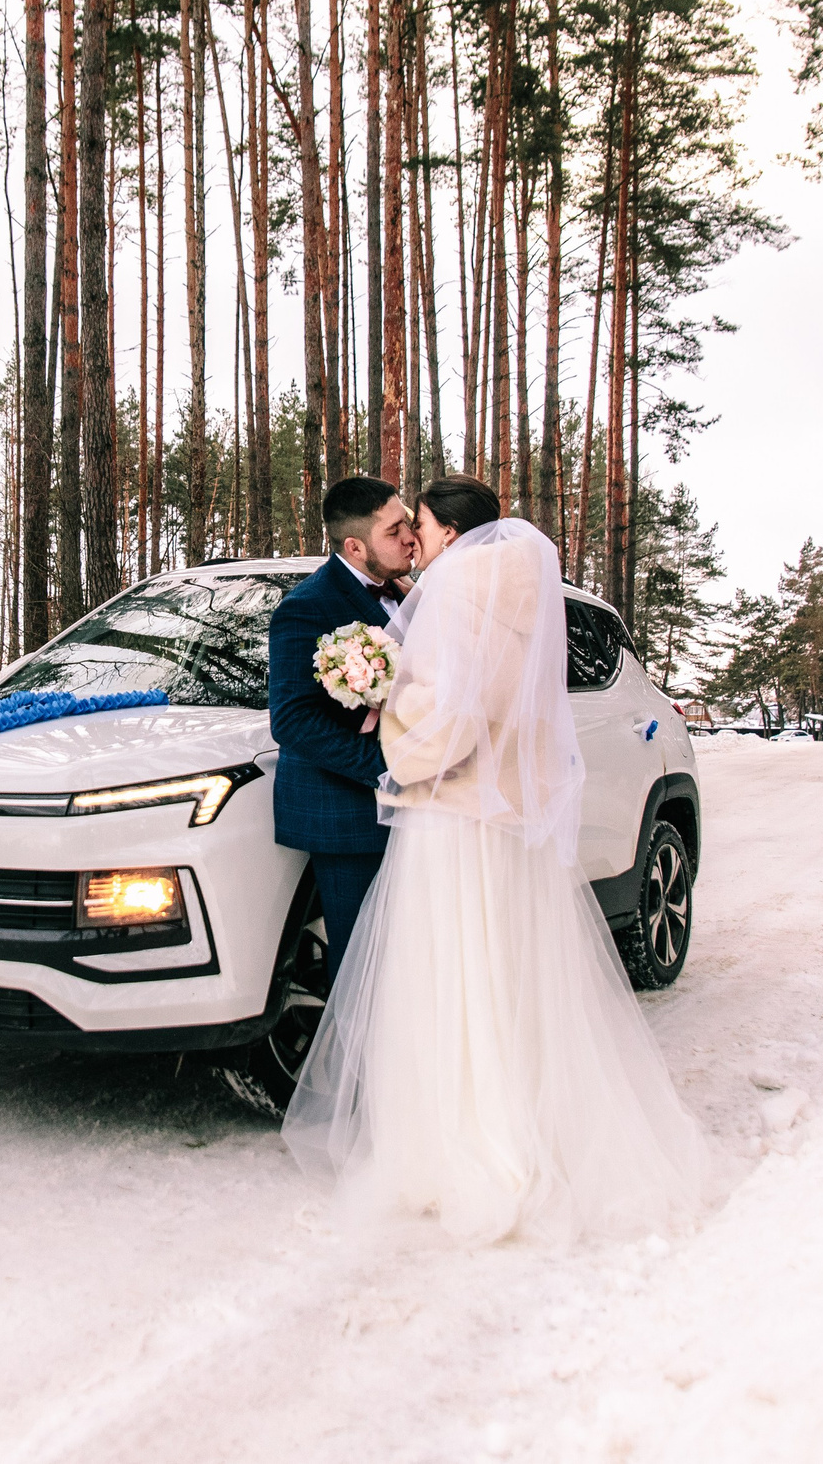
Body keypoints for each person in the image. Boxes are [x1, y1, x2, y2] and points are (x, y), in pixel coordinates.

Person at [283, 474, 708, 1244]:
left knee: (452, 978)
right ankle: (525, 1118)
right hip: (500, 824)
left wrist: (388, 721)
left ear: (448, 532)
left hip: (454, 823)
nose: (413, 536)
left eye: (419, 524)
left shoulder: (456, 595)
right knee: (503, 976)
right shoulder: (520, 592)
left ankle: (466, 1139)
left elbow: (449, 727)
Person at [266, 475, 418, 985]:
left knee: (413, 960)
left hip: (420, 814)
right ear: (355, 546)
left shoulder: (410, 594)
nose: (410, 537)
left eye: (409, 525)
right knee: (361, 969)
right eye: (395, 530)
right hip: (348, 815)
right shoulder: (307, 606)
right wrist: (388, 767)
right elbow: (292, 720)